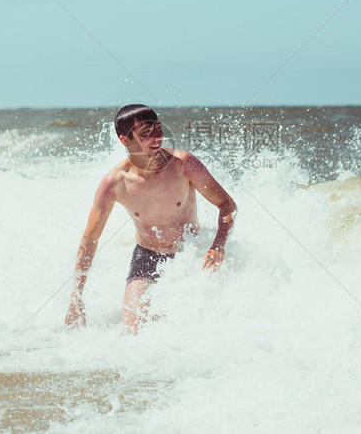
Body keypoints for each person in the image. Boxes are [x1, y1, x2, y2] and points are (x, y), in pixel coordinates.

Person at [64, 104, 237, 334]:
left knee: (200, 327)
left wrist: (218, 246)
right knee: (133, 329)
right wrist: (76, 297)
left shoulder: (184, 164)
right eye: (146, 133)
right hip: (147, 256)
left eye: (158, 129)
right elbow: (90, 239)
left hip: (192, 252)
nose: (157, 137)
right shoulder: (114, 183)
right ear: (125, 141)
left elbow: (227, 205)